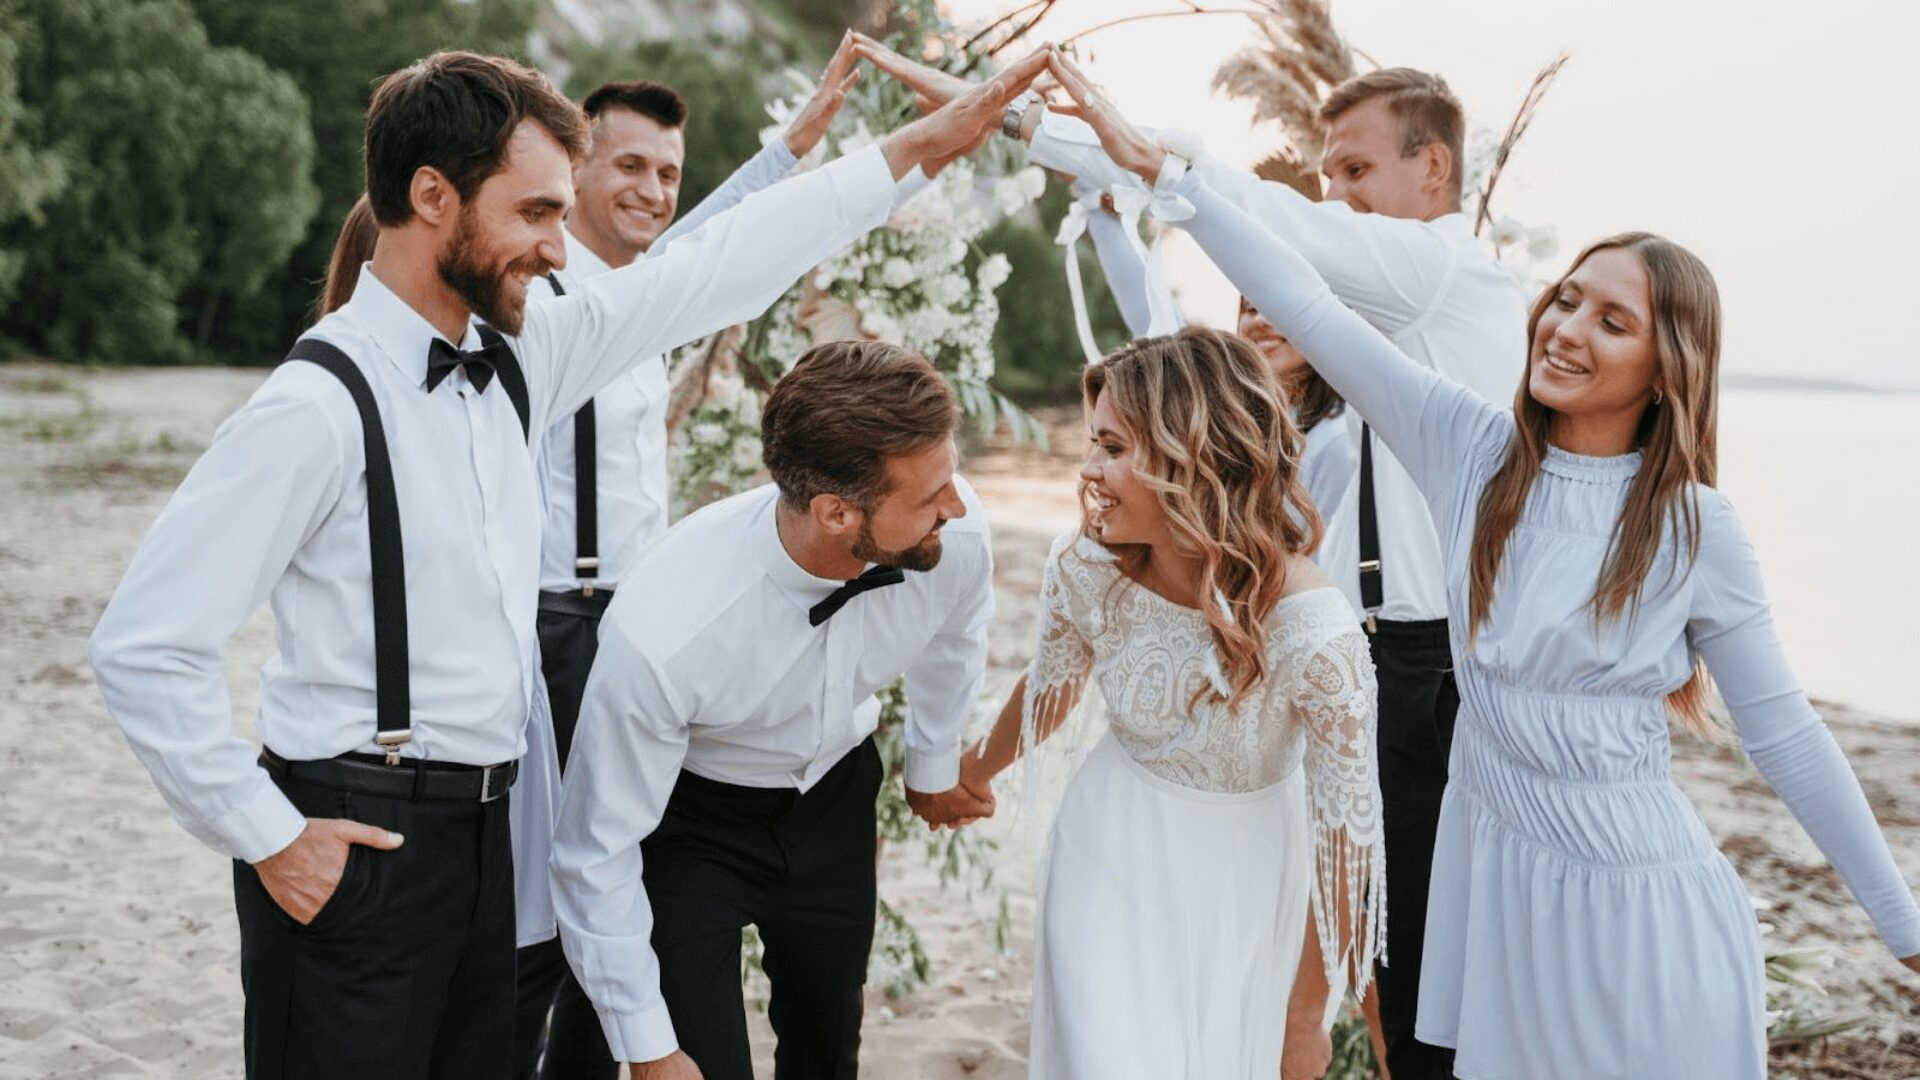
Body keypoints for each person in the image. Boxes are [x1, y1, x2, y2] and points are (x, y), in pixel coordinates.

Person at [86, 45, 1041, 1079]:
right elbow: (145, 646)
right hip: (358, 837)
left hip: (496, 842)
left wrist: (918, 151)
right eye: (535, 214)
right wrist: (266, 832)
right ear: (431, 196)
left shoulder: (524, 356)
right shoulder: (311, 409)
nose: (556, 248)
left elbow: (707, 272)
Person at [1048, 48, 1920, 1079]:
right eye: (1565, 299)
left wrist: (1904, 928)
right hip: (1504, 901)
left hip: (1644, 912)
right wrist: (1167, 179)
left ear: (1666, 364)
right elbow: (1313, 307)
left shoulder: (1695, 529)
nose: (1564, 328)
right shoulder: (1470, 452)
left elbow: (1788, 739)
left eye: (1612, 319)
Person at [849, 41, 1522, 1077]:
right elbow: (1181, 325)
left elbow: (1266, 236)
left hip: (1421, 665)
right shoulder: (1312, 371)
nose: (1334, 196)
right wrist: (1031, 126)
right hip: (1316, 671)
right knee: (1342, 980)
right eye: (1328, 173)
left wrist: (1156, 158)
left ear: (1434, 171)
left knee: (1407, 971)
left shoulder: (1440, 277)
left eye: (1356, 170)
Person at [514, 40, 868, 1080]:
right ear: (574, 169)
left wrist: (790, 150)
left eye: (667, 173)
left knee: (628, 870)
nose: (655, 190)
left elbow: (719, 240)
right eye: (629, 166)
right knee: (562, 876)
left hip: (634, 621)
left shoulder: (646, 289)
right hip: (547, 622)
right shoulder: (539, 297)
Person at [549, 341, 998, 1080]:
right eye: (928, 499)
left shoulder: (956, 536)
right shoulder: (666, 629)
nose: (955, 507)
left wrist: (932, 763)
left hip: (836, 801)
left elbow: (957, 634)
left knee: (827, 1050)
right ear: (834, 512)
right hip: (692, 825)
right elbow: (593, 853)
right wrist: (649, 1050)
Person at [950, 326, 1384, 1079]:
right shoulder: (1087, 565)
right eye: (1092, 443)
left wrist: (1303, 1016)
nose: (1088, 471)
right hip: (1108, 850)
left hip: (1244, 884)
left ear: (1200, 456)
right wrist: (973, 773)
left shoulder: (1314, 632)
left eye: (1113, 448)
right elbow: (1052, 687)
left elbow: (1345, 840)